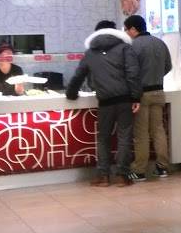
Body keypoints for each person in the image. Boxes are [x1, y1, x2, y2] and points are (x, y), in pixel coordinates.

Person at [65, 20, 141, 187]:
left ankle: (103, 176)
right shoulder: (125, 48)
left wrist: (71, 94)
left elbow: (78, 75)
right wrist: (136, 97)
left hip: (105, 101)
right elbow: (133, 73)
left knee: (103, 138)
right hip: (124, 100)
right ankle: (122, 176)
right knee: (124, 137)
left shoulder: (90, 52)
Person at [124, 14, 173, 181]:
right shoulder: (160, 43)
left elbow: (131, 72)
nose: (126, 33)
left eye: (126, 29)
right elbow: (168, 66)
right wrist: (156, 76)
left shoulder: (133, 46)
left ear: (133, 29)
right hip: (159, 91)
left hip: (142, 94)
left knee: (141, 133)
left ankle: (139, 170)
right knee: (158, 130)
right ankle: (162, 167)